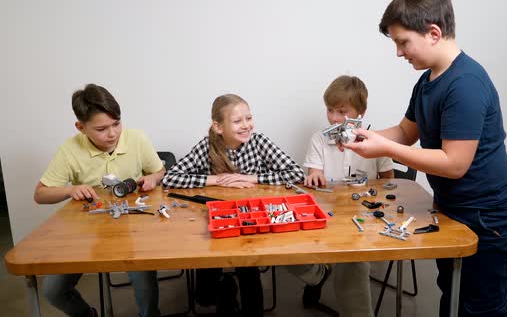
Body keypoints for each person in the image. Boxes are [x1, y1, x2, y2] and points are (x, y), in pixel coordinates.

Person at [343, 0, 507, 316]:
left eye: (402, 42)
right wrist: (363, 137)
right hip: (454, 207)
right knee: (453, 294)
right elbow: (405, 132)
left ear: (433, 33)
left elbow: (454, 164)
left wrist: (386, 148)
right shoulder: (428, 80)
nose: (399, 52)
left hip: (488, 215)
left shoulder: (466, 83)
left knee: (479, 306)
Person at [162, 94, 305, 317]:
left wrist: (253, 178)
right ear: (218, 127)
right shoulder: (206, 146)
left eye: (249, 118)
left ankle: (248, 303)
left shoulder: (259, 142)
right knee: (206, 295)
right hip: (217, 219)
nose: (246, 125)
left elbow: (295, 173)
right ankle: (225, 289)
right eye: (238, 121)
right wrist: (216, 179)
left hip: (250, 219)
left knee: (247, 265)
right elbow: (171, 179)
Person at [34, 84, 165, 317]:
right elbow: (40, 194)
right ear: (81, 127)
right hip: (87, 234)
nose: (113, 134)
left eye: (117, 124)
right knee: (53, 290)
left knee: (145, 283)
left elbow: (160, 171)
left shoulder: (136, 138)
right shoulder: (70, 149)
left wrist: (153, 179)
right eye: (102, 129)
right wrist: (70, 190)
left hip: (133, 231)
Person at [290, 75, 394, 317]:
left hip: (362, 215)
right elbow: (314, 172)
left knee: (353, 261)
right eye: (330, 110)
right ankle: (319, 273)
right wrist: (314, 176)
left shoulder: (377, 141)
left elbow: (390, 182)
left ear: (361, 112)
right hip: (326, 213)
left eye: (342, 111)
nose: (335, 118)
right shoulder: (319, 138)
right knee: (282, 245)